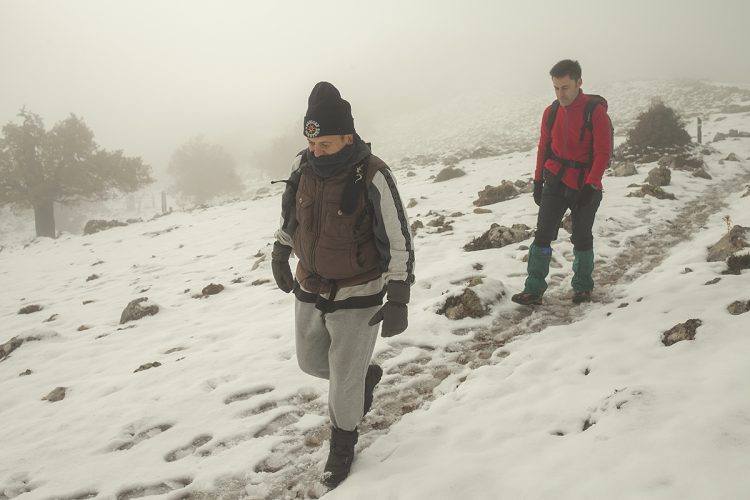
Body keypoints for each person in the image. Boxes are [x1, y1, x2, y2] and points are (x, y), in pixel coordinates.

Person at [271, 81, 415, 488]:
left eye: (326, 145)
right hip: (311, 284)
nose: (317, 153)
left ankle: (342, 444)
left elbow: (399, 237)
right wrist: (281, 252)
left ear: (347, 137)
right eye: (312, 144)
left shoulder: (373, 174)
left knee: (344, 383)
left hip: (359, 290)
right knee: (312, 363)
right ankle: (363, 380)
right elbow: (291, 218)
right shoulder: (303, 167)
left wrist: (399, 296)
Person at [511, 59, 611, 306]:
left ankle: (583, 287)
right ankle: (533, 290)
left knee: (582, 237)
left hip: (584, 183)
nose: (560, 93)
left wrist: (592, 184)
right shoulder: (551, 112)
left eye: (565, 87)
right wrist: (537, 180)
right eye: (556, 88)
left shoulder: (594, 112)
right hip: (555, 180)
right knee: (543, 236)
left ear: (579, 82)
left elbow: (602, 153)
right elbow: (543, 147)